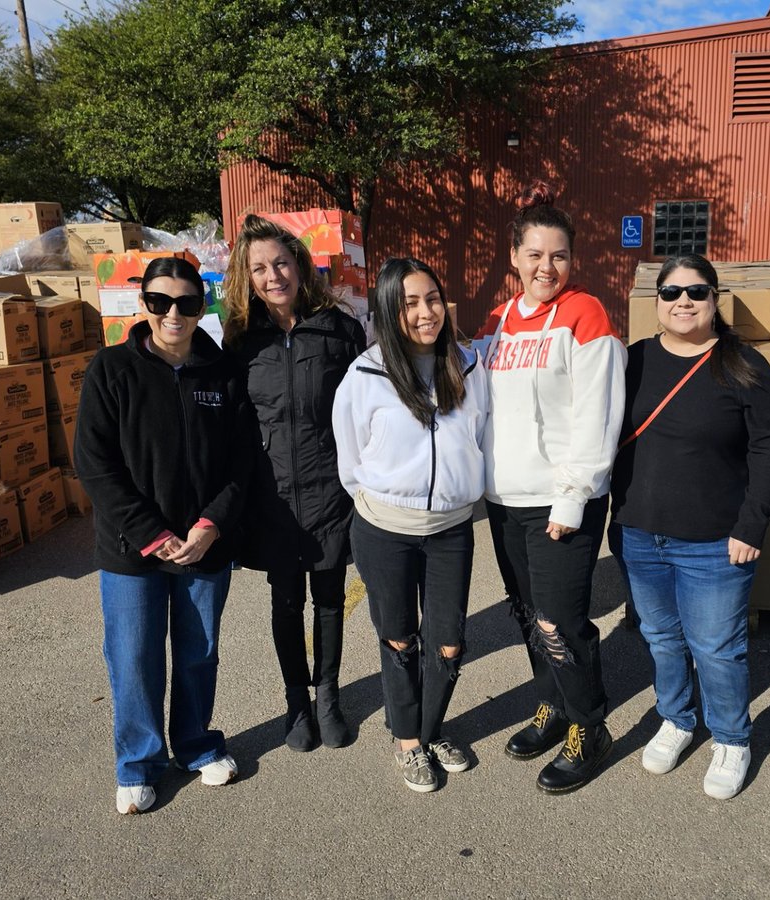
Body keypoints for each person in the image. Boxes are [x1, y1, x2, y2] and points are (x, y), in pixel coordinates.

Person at [74, 256, 255, 815]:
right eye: (160, 301)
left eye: (186, 303)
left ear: (203, 308)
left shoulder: (222, 373)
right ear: (143, 304)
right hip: (133, 551)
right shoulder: (111, 369)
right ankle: (139, 762)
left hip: (204, 545)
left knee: (198, 654)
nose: (173, 313)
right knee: (133, 657)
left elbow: (242, 463)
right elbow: (94, 463)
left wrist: (209, 525)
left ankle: (197, 746)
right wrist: (151, 533)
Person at [608, 254, 770, 800]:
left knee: (716, 646)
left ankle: (733, 737)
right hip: (639, 533)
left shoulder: (744, 366)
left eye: (696, 292)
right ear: (657, 302)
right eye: (671, 292)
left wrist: (752, 525)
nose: (682, 301)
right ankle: (678, 719)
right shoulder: (633, 360)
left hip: (715, 541)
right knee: (662, 637)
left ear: (715, 300)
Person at [477, 179, 626, 794]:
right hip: (504, 499)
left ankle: (589, 726)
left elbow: (599, 415)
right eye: (535, 255)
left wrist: (573, 496)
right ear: (513, 257)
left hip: (561, 502)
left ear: (573, 260)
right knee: (528, 615)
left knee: (562, 622)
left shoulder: (586, 315)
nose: (547, 267)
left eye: (559, 255)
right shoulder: (499, 321)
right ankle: (554, 704)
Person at [332, 257, 488, 793]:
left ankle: (430, 727)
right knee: (399, 638)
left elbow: (480, 436)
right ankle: (408, 742)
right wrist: (385, 503)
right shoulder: (366, 375)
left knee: (447, 642)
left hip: (450, 529)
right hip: (384, 530)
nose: (426, 313)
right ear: (388, 312)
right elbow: (350, 458)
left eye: (432, 299)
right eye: (409, 304)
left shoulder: (468, 366)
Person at [223, 214, 366, 752]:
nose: (272, 275)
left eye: (281, 262)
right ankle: (295, 702)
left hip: (330, 490)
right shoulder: (240, 339)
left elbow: (365, 410)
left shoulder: (339, 330)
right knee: (286, 602)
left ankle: (327, 696)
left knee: (329, 598)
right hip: (273, 499)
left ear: (300, 266)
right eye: (259, 268)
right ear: (247, 276)